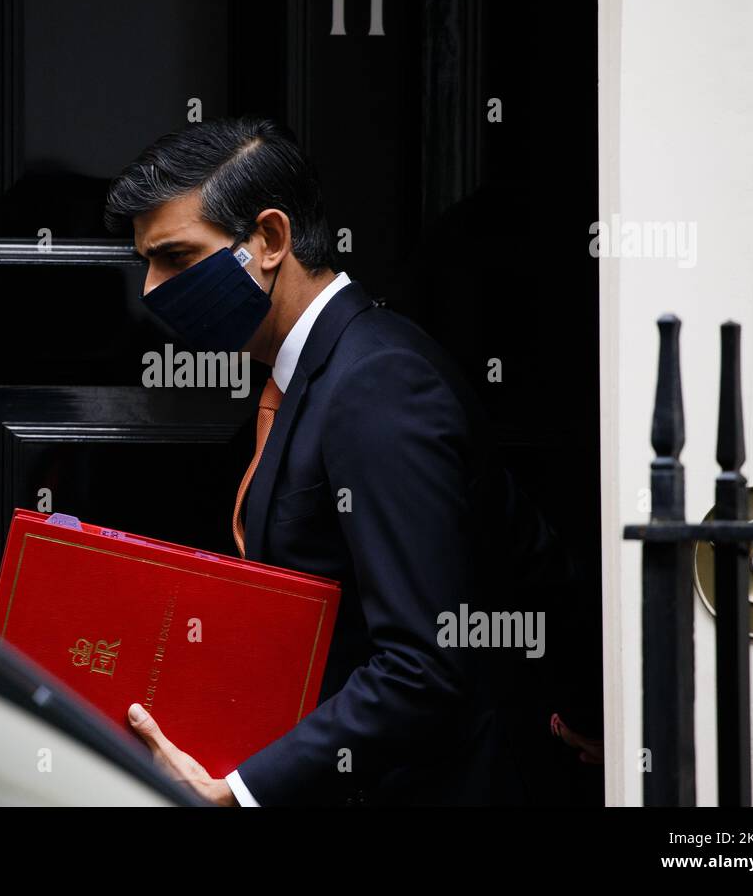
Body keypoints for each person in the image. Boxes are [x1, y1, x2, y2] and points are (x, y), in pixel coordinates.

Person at [103, 115, 581, 806]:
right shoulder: (317, 373)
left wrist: (237, 791)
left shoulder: (377, 382)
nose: (151, 290)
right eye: (146, 261)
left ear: (269, 240)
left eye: (175, 258)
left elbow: (423, 665)